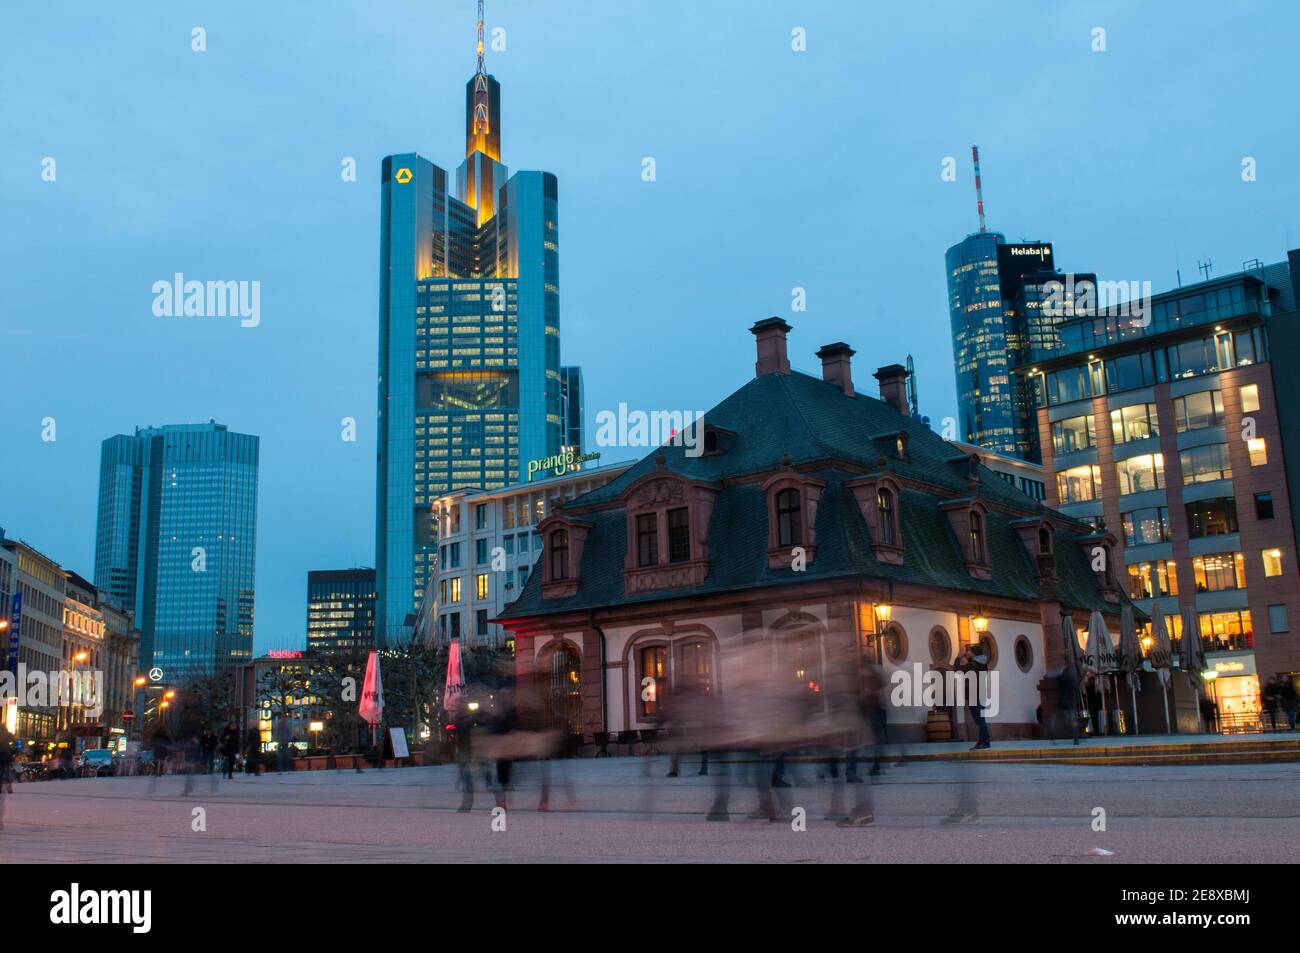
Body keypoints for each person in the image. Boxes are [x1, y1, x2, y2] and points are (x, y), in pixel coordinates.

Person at [956, 644, 991, 750]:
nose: (968, 652)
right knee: (980, 719)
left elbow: (957, 670)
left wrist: (958, 657)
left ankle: (985, 742)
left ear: (974, 653)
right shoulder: (981, 664)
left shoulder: (974, 664)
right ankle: (982, 742)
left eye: (970, 651)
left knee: (980, 720)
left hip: (974, 695)